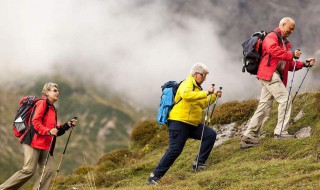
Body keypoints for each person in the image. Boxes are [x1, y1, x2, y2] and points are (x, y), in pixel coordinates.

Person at [240, 17, 316, 149]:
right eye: (290, 28)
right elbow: (272, 50)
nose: (292, 31)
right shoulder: (272, 36)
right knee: (285, 99)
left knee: (264, 106)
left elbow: (288, 62)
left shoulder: (284, 43)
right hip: (270, 74)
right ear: (283, 24)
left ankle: (248, 136)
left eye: (293, 29)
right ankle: (280, 132)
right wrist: (291, 54)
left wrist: (303, 63)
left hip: (268, 75)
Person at [146, 62, 222, 185]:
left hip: (192, 123)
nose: (205, 78)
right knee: (175, 150)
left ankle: (199, 164)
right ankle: (154, 177)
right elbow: (186, 96)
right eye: (204, 75)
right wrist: (206, 93)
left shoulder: (197, 88)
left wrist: (213, 97)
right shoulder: (187, 83)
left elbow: (201, 104)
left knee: (210, 135)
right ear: (196, 74)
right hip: (179, 122)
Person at [0, 83, 77, 190]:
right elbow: (35, 122)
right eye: (54, 90)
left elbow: (53, 130)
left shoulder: (52, 108)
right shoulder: (42, 103)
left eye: (57, 91)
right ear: (46, 92)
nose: (57, 92)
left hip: (45, 144)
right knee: (29, 170)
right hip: (33, 142)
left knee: (47, 171)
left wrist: (66, 125)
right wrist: (48, 131)